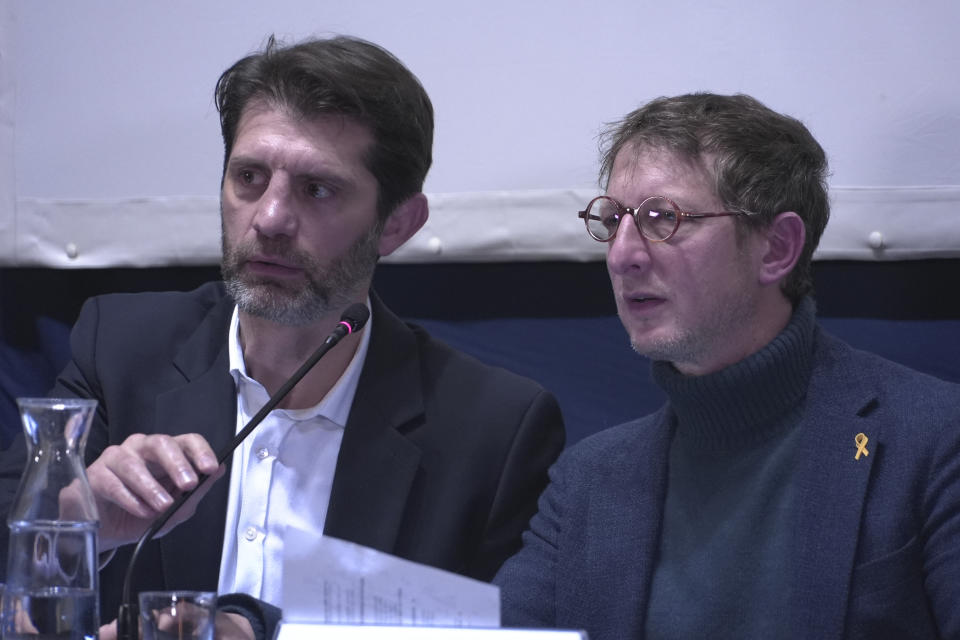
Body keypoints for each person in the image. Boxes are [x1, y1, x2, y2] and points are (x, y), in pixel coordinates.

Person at [0, 34, 565, 634]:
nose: (269, 219)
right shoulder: (121, 347)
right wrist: (76, 522)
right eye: (249, 177)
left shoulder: (492, 429)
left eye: (317, 189)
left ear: (396, 223)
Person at [493, 93, 960, 639]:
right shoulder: (590, 480)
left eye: (661, 218)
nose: (622, 256)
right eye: (614, 219)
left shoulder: (933, 440)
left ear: (777, 248)